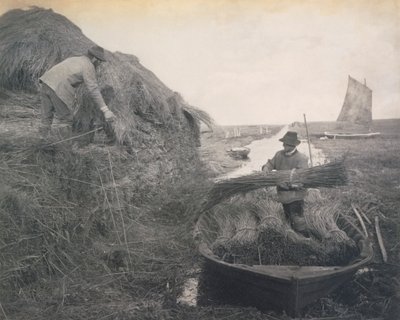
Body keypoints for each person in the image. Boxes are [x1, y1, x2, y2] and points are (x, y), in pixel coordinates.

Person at [38, 45, 116, 138]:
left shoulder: (73, 59)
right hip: (59, 87)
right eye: (99, 61)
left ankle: (41, 142)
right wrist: (105, 110)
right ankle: (63, 149)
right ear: (95, 59)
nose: (99, 64)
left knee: (46, 117)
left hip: (45, 82)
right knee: (65, 119)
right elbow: (93, 89)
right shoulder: (88, 65)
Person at [261, 131, 310, 237]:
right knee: (287, 217)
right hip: (283, 195)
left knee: (297, 219)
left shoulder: (301, 158)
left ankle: (305, 239)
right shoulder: (279, 154)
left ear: (293, 145)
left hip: (295, 196)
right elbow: (270, 163)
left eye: (286, 144)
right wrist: (266, 168)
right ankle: (293, 238)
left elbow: (302, 179)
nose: (283, 145)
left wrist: (289, 184)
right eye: (284, 143)